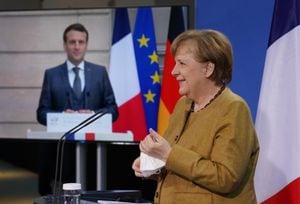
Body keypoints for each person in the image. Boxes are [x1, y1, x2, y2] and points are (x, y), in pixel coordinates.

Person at [132, 29, 259, 203]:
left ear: (208, 68)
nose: (173, 71)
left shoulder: (234, 109)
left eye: (182, 63)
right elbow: (179, 167)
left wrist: (168, 155)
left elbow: (226, 178)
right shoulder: (182, 105)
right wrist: (152, 165)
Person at [36, 23, 119, 195]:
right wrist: (61, 116)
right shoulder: (51, 74)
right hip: (61, 153)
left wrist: (93, 115)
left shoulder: (99, 72)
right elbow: (41, 113)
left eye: (81, 42)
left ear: (86, 45)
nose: (77, 46)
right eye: (72, 42)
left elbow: (113, 110)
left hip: (94, 152)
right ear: (65, 45)